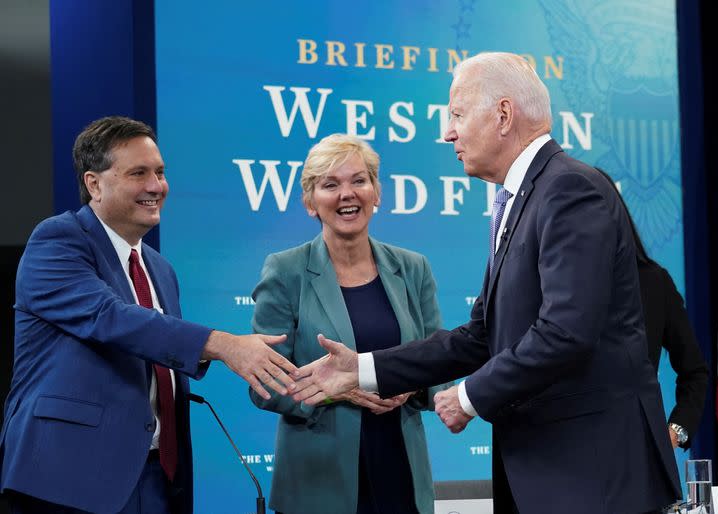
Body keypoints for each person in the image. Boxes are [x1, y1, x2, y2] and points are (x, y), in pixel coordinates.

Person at [292, 53, 682, 513]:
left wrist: (469, 396)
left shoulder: (570, 189)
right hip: (548, 474)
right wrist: (361, 369)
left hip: (593, 478)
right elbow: (481, 336)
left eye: (457, 114)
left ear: (502, 115)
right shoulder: (520, 200)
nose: (447, 132)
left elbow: (566, 332)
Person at [0, 116, 297, 514]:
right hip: (69, 480)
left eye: (159, 172)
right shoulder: (58, 241)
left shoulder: (160, 269)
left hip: (159, 480)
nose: (156, 186)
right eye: (138, 173)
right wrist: (223, 345)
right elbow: (109, 318)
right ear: (94, 183)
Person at [249, 134, 447, 514]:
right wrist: (336, 390)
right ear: (311, 202)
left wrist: (406, 384)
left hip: (401, 474)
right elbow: (264, 384)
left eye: (359, 180)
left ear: (377, 192)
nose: (347, 194)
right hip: (317, 484)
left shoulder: (413, 268)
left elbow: (439, 363)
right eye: (330, 184)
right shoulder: (286, 271)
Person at [595, 169, 710, 450]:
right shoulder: (550, 284)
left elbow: (694, 370)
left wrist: (675, 432)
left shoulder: (653, 281)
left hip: (638, 459)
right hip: (570, 463)